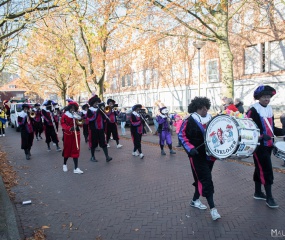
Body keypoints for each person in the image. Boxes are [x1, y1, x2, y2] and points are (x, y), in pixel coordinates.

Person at [178, 96, 221, 221]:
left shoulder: (211, 119)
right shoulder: (189, 120)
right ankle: (213, 209)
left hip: (210, 156)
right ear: (196, 108)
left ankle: (194, 200)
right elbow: (181, 135)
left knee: (200, 179)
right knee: (206, 179)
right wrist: (190, 148)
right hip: (196, 155)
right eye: (202, 108)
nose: (205, 110)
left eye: (206, 107)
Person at [247, 85, 284, 208]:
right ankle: (269, 197)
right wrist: (262, 136)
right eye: (264, 96)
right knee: (266, 169)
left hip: (268, 145)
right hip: (258, 145)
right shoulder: (253, 110)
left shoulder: (269, 110)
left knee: (260, 167)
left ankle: (258, 192)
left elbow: (272, 128)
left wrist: (283, 132)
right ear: (259, 97)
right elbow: (248, 129)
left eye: (268, 96)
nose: (267, 99)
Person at [87, 95, 112, 162]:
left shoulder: (100, 110)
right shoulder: (90, 110)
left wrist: (106, 118)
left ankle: (107, 157)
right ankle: (92, 157)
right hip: (93, 129)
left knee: (103, 143)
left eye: (97, 102)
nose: (96, 104)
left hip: (100, 129)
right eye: (95, 103)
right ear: (92, 103)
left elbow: (105, 116)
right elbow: (90, 119)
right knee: (93, 143)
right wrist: (96, 113)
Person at [61, 101, 83, 174]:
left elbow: (80, 124)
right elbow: (63, 124)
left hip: (76, 134)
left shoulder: (76, 115)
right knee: (67, 149)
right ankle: (64, 164)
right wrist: (69, 128)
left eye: (74, 108)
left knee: (76, 150)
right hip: (68, 135)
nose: (72, 109)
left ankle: (76, 168)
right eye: (71, 108)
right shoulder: (65, 115)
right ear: (69, 108)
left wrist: (80, 120)